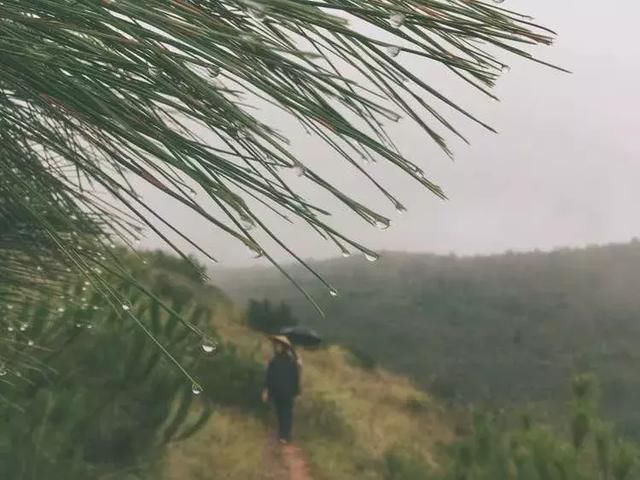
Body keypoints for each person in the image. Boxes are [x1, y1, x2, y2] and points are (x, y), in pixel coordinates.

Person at [262, 335, 301, 444]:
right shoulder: (273, 361)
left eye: (279, 346)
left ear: (284, 347)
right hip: (276, 392)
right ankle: (282, 434)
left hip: (288, 392)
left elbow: (295, 377)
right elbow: (269, 376)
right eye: (276, 345)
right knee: (279, 413)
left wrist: (296, 391)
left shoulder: (291, 362)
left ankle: (285, 436)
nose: (276, 347)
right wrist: (266, 390)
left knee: (287, 413)